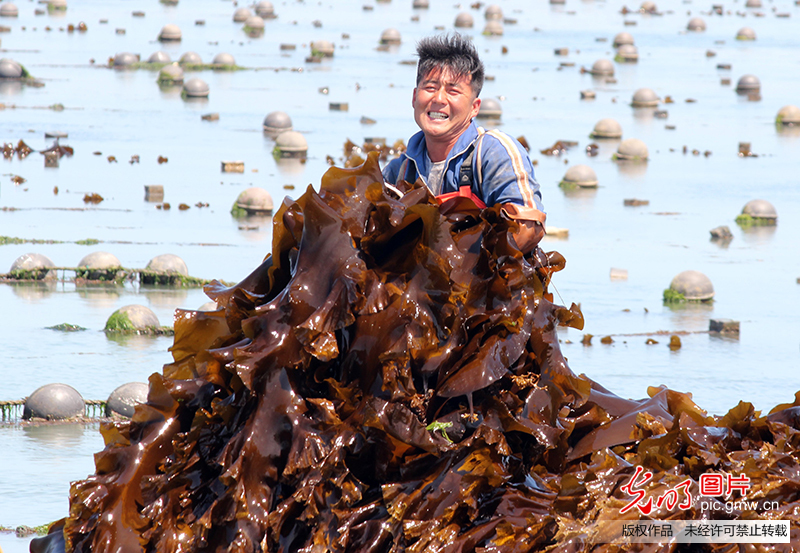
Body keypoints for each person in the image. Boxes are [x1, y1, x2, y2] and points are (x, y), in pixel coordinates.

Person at [382, 33, 545, 253]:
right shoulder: (399, 171)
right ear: (414, 97)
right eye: (430, 87)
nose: (439, 99)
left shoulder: (493, 153)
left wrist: (464, 267)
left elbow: (528, 227)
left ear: (474, 107)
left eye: (453, 91)